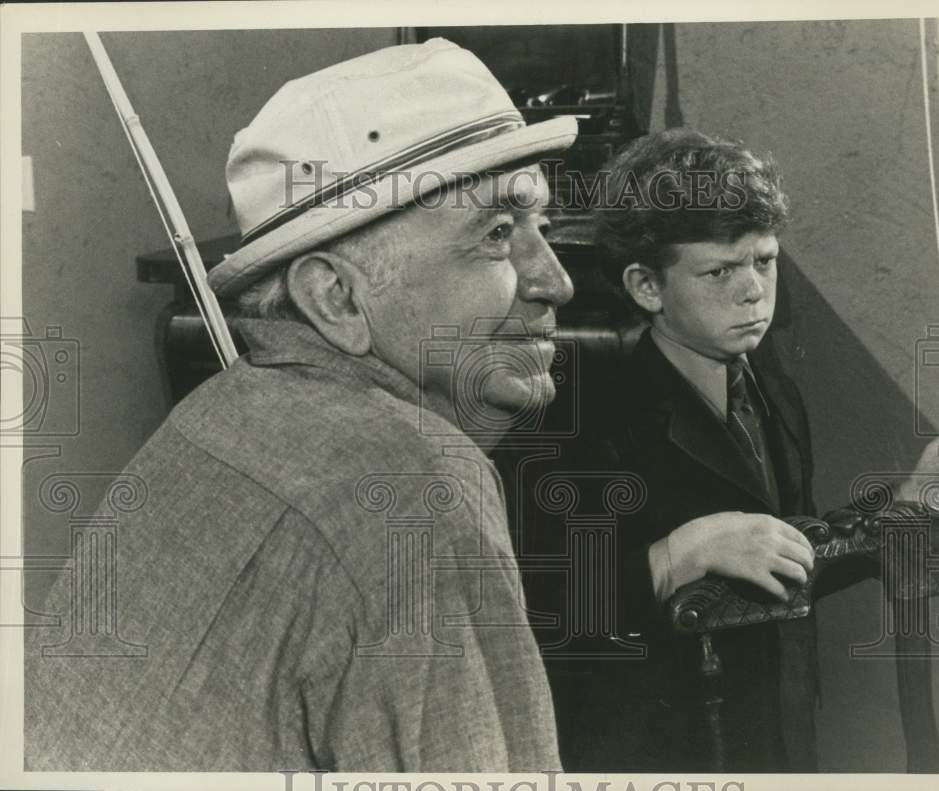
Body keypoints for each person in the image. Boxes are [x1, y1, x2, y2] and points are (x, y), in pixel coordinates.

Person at [25, 38, 577, 772]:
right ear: (335, 297)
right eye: (499, 234)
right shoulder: (414, 485)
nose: (557, 281)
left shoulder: (209, 418)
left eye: (543, 226)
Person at [544, 128, 939, 772]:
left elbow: (788, 556)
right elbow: (543, 608)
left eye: (764, 261)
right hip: (660, 750)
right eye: (720, 270)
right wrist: (673, 556)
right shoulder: (582, 411)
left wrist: (908, 502)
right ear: (646, 287)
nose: (753, 290)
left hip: (776, 729)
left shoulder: (769, 384)